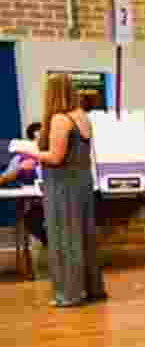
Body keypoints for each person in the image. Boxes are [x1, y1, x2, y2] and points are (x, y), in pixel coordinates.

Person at [23, 74, 108, 307]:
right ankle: (91, 288)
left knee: (64, 237)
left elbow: (56, 156)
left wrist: (32, 153)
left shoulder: (60, 119)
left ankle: (70, 293)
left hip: (63, 186)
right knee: (84, 237)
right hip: (82, 182)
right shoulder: (82, 116)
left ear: (51, 92)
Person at [1, 122, 46, 247]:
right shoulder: (21, 158)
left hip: (59, 201)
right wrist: (19, 168)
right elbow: (3, 179)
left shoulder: (56, 155)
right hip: (38, 206)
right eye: (38, 139)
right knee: (32, 220)